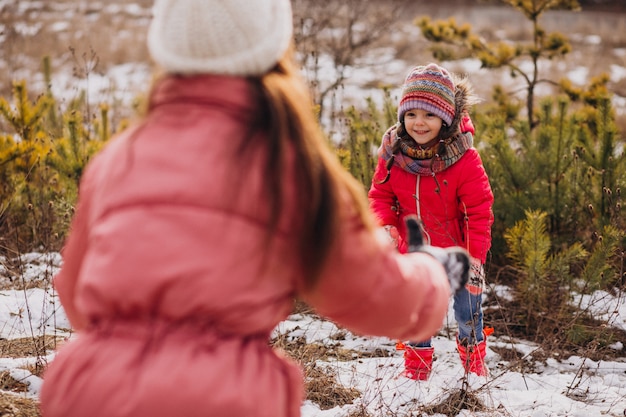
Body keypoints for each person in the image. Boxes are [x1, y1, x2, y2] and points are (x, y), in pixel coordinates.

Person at [39, 2, 470, 416]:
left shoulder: (116, 158)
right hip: (224, 399)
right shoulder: (292, 164)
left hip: (90, 395)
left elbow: (77, 297)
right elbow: (369, 296)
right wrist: (432, 276)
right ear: (272, 43)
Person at [368, 63, 494, 380]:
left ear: (446, 117)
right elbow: (380, 195)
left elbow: (479, 211)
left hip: (459, 254)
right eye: (411, 114)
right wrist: (386, 227)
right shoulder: (393, 153)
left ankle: (475, 370)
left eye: (429, 115)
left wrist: (474, 259)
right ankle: (416, 372)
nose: (419, 123)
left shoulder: (464, 158)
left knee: (468, 313)